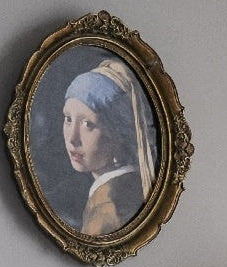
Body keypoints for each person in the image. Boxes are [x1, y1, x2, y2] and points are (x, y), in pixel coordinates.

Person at [61, 58, 157, 237]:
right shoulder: (129, 185)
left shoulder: (108, 206)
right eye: (68, 119)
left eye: (88, 124)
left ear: (117, 134)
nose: (72, 138)